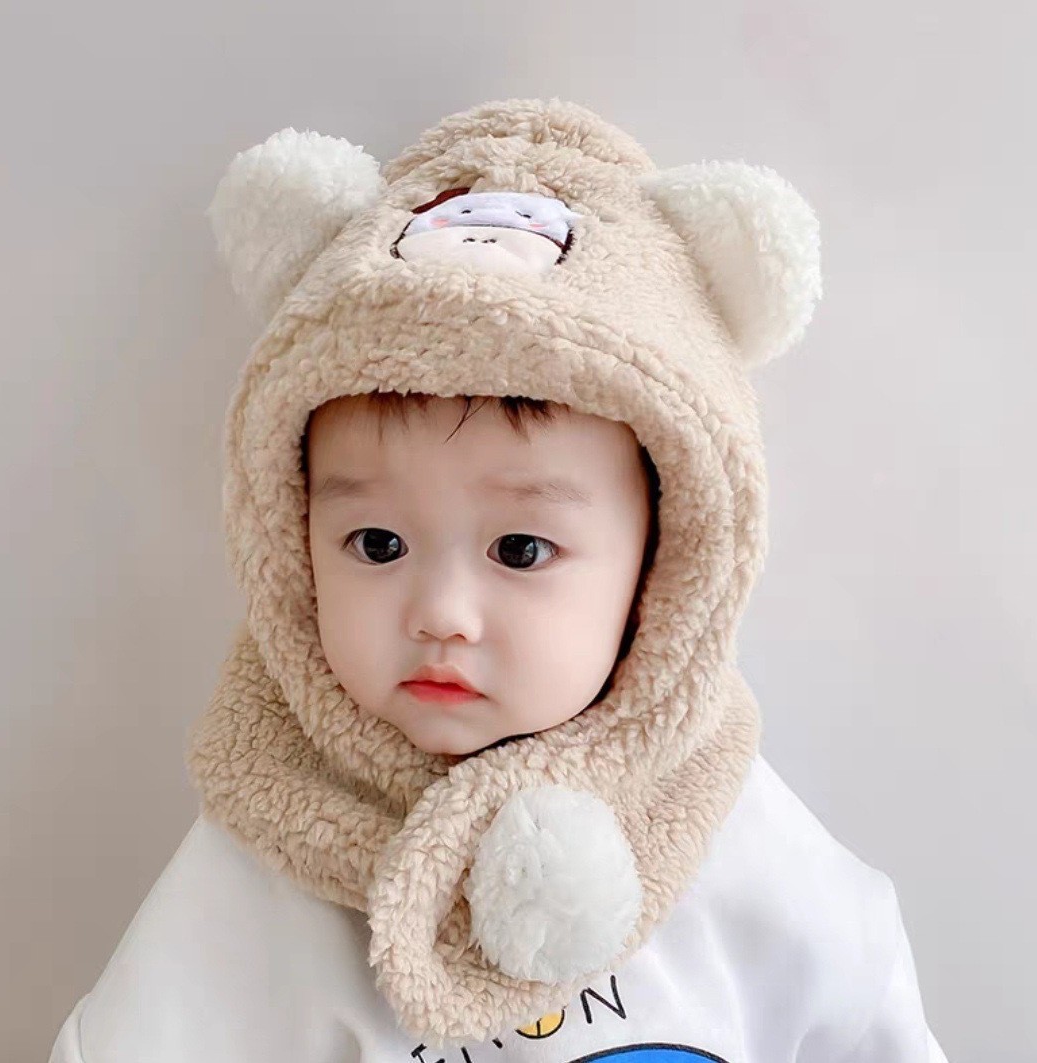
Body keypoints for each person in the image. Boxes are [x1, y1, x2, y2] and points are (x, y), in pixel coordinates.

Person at [49, 97, 950, 1062]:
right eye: (377, 544)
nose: (441, 614)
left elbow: (866, 1022)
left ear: (663, 569)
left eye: (520, 550)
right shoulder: (266, 856)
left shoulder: (715, 819)